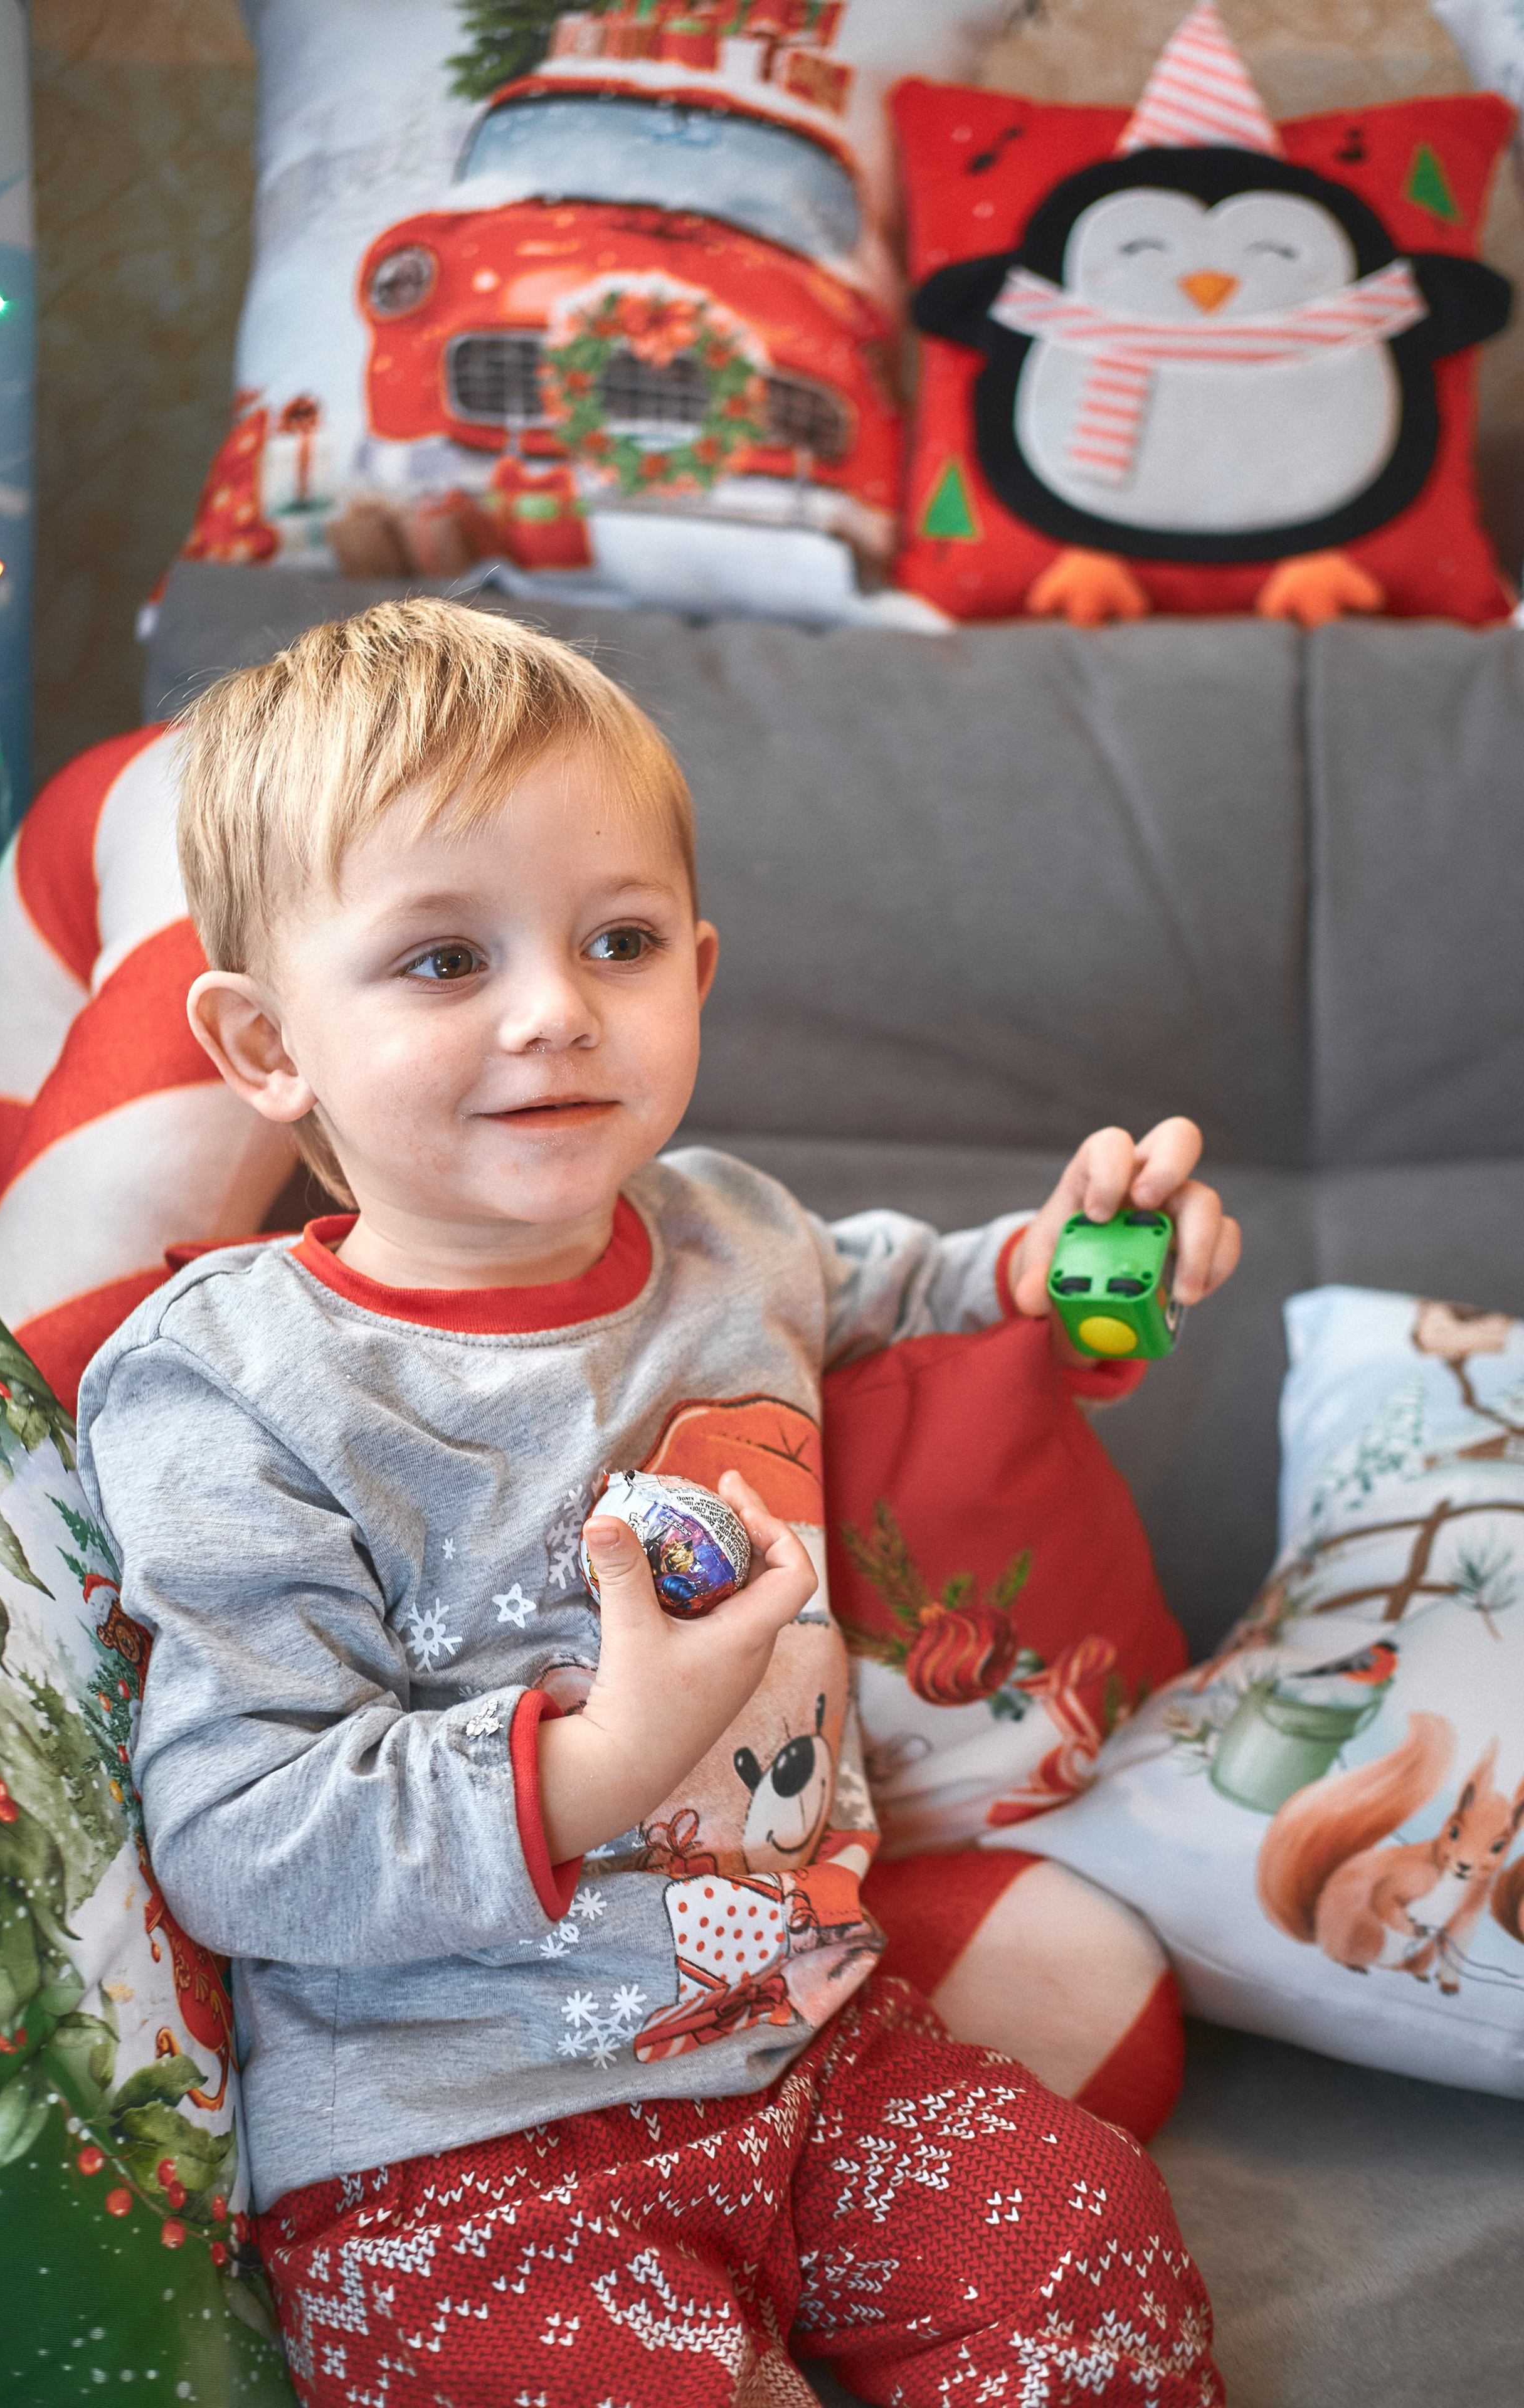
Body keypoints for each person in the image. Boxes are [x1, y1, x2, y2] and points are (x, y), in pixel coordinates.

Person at [77, 599, 1237, 2407]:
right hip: (458, 2143)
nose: (556, 1010)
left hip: (817, 2057)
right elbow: (238, 1836)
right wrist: (599, 1762)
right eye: (445, 963)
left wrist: (1088, 1264)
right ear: (262, 1044)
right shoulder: (234, 1380)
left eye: (617, 940)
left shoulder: (733, 1233)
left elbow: (911, 1288)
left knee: (1084, 2240)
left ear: (698, 968)